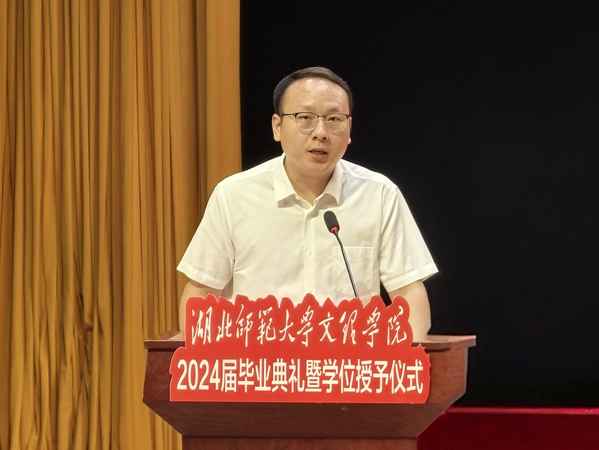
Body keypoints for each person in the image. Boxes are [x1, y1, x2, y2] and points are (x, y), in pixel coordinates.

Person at [177, 67, 438, 340]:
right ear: (277, 127)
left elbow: (408, 292)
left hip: (349, 363)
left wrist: (407, 357)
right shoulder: (233, 195)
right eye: (305, 118)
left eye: (334, 119)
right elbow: (201, 293)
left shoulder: (379, 194)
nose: (321, 132)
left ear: (349, 129)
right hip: (257, 361)